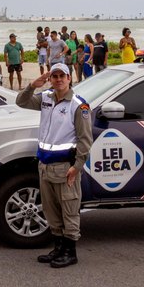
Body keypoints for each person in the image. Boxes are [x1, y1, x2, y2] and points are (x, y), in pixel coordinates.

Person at [16, 64, 92, 268]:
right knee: (50, 211)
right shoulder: (46, 98)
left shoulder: (78, 105)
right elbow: (21, 101)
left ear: (69, 78)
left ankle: (70, 251)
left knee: (69, 210)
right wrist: (32, 85)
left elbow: (85, 140)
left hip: (65, 167)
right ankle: (58, 247)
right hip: (45, 166)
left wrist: (77, 166)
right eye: (55, 76)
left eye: (62, 76)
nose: (58, 79)